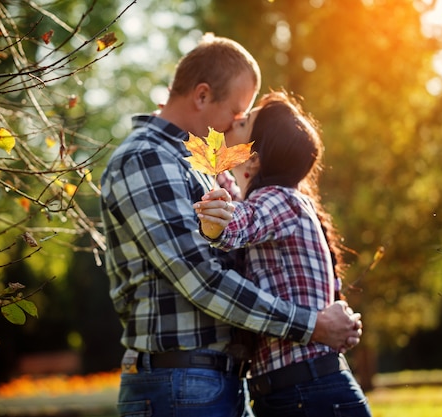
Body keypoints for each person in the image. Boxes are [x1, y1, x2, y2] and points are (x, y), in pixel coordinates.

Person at [99, 33, 363, 417]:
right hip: (181, 384)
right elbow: (200, 279)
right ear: (202, 96)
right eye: (238, 114)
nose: (237, 127)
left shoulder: (197, 164)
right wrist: (312, 325)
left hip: (217, 383)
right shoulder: (146, 158)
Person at [194, 90, 372, 416]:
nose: (235, 120)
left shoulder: (279, 199)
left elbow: (241, 223)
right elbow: (238, 198)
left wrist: (215, 223)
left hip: (306, 392)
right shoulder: (282, 201)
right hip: (299, 390)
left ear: (254, 158)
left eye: (244, 121)